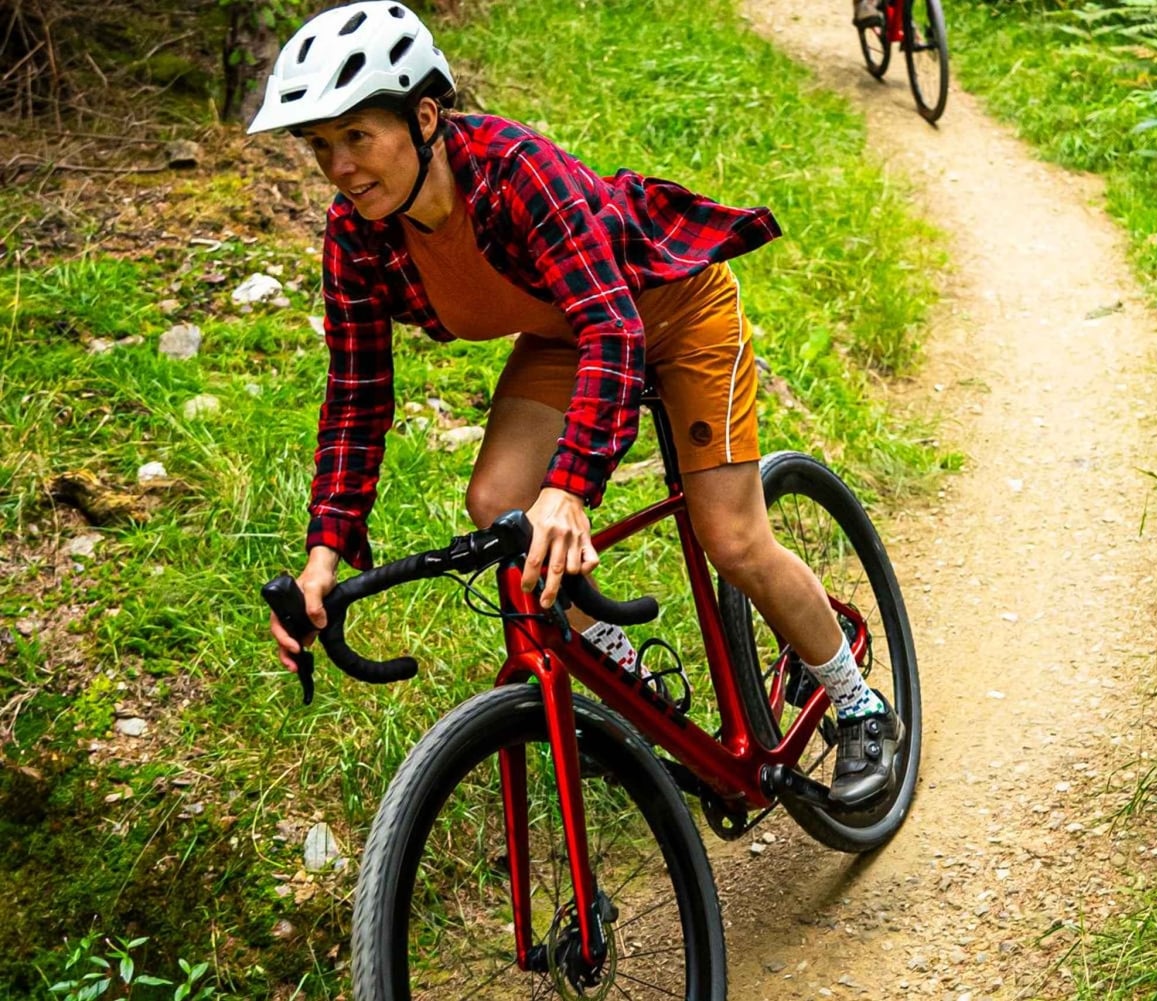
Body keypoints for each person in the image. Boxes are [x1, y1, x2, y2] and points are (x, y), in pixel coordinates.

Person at [252, 1, 901, 808]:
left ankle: (857, 700)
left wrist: (570, 488)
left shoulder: (515, 168)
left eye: (357, 136)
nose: (339, 166)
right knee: (498, 506)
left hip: (670, 311)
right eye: (320, 146)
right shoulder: (359, 234)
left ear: (424, 118)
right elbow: (357, 394)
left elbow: (614, 325)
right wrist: (325, 551)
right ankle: (636, 689)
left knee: (731, 537)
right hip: (567, 334)